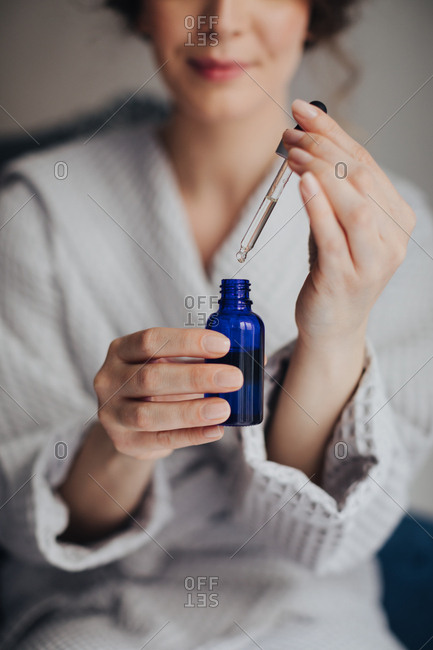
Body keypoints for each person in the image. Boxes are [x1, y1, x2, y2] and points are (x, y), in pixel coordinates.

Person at [0, 1, 432, 648]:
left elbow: (334, 537)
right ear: (141, 10)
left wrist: (336, 331)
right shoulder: (37, 211)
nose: (219, 20)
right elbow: (22, 525)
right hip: (95, 615)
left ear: (312, 12)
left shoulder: (388, 231)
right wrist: (118, 439)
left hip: (311, 620)